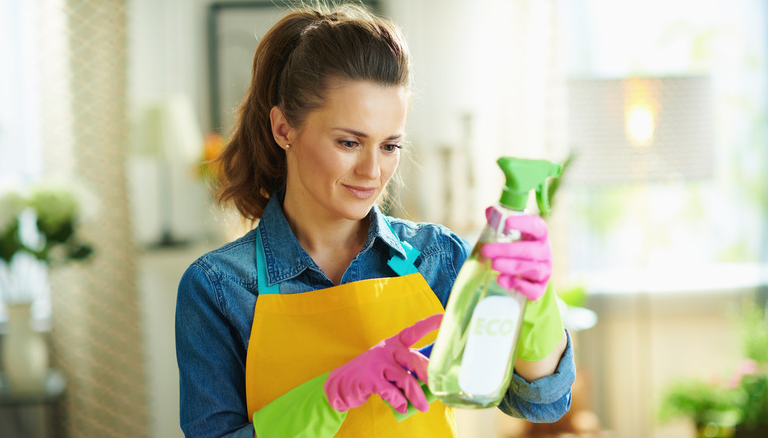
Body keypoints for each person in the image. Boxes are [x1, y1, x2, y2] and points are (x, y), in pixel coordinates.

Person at [175, 4, 575, 437]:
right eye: (349, 142)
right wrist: (328, 397)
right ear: (284, 128)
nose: (373, 172)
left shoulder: (438, 259)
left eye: (390, 147)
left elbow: (542, 401)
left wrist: (534, 298)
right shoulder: (220, 287)